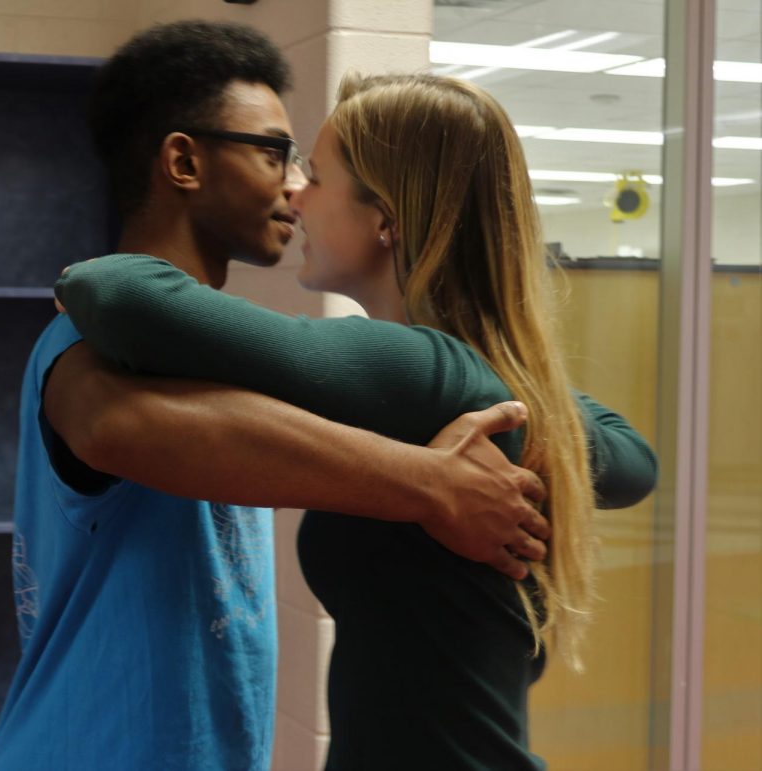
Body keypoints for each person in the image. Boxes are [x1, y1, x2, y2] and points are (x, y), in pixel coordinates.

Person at [0, 23, 554, 771]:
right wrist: (432, 485)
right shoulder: (84, 343)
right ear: (185, 160)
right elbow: (119, 429)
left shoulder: (212, 356)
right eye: (274, 153)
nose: (293, 185)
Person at [53, 73, 659, 769]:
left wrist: (70, 311)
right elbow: (633, 461)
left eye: (318, 174)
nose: (294, 194)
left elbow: (118, 293)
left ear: (387, 218)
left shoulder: (414, 369)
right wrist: (524, 391)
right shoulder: (473, 380)